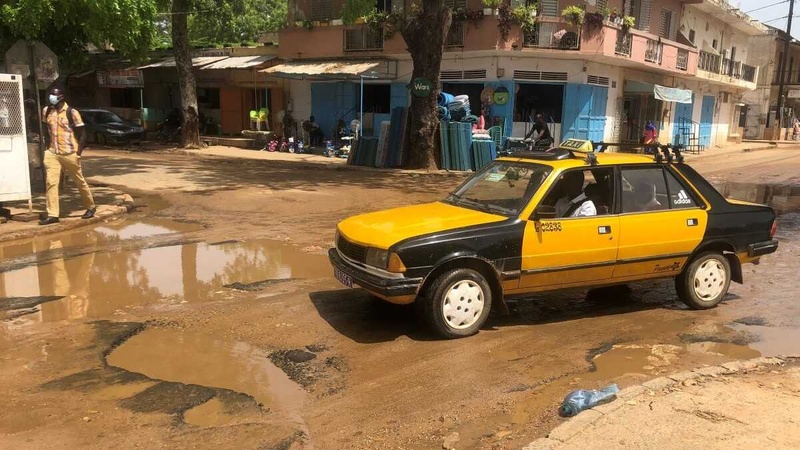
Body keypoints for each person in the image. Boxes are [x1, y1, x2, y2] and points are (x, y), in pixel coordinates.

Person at [38, 88, 96, 226]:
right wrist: (47, 148)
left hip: (69, 152)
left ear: (61, 97)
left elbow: (82, 134)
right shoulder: (46, 111)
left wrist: (78, 154)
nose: (51, 97)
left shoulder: (72, 112)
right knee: (51, 183)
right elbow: (46, 131)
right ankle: (53, 214)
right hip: (53, 153)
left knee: (79, 181)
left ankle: (90, 206)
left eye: (54, 95)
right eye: (51, 94)